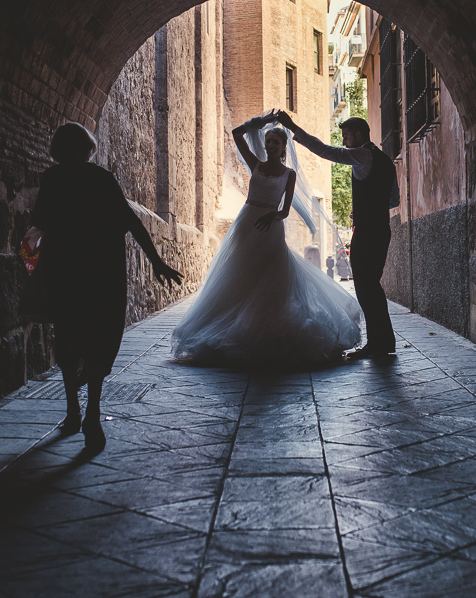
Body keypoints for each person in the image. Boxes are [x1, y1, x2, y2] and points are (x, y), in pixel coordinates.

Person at [31, 122, 183, 450]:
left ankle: (73, 411)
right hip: (101, 272)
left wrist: (32, 266)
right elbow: (131, 221)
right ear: (87, 149)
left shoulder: (51, 179)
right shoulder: (100, 178)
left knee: (68, 339)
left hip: (64, 271)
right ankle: (92, 414)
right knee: (100, 339)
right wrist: (156, 262)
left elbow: (37, 226)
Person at [170, 111, 362, 366]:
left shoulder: (288, 174)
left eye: (276, 142)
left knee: (272, 276)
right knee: (241, 272)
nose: (271, 146)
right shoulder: (256, 165)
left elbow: (285, 209)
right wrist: (258, 123)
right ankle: (233, 321)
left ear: (284, 148)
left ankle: (267, 327)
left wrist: (274, 214)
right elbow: (237, 136)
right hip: (247, 222)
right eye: (268, 141)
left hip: (271, 226)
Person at [277, 112, 399, 359]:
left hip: (366, 232)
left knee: (366, 287)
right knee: (371, 285)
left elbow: (325, 151)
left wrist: (292, 127)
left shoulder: (363, 155)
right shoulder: (386, 161)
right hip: (382, 229)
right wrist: (369, 207)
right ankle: (383, 340)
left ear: (358, 135)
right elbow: (393, 200)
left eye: (346, 136)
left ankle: (378, 343)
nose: (344, 142)